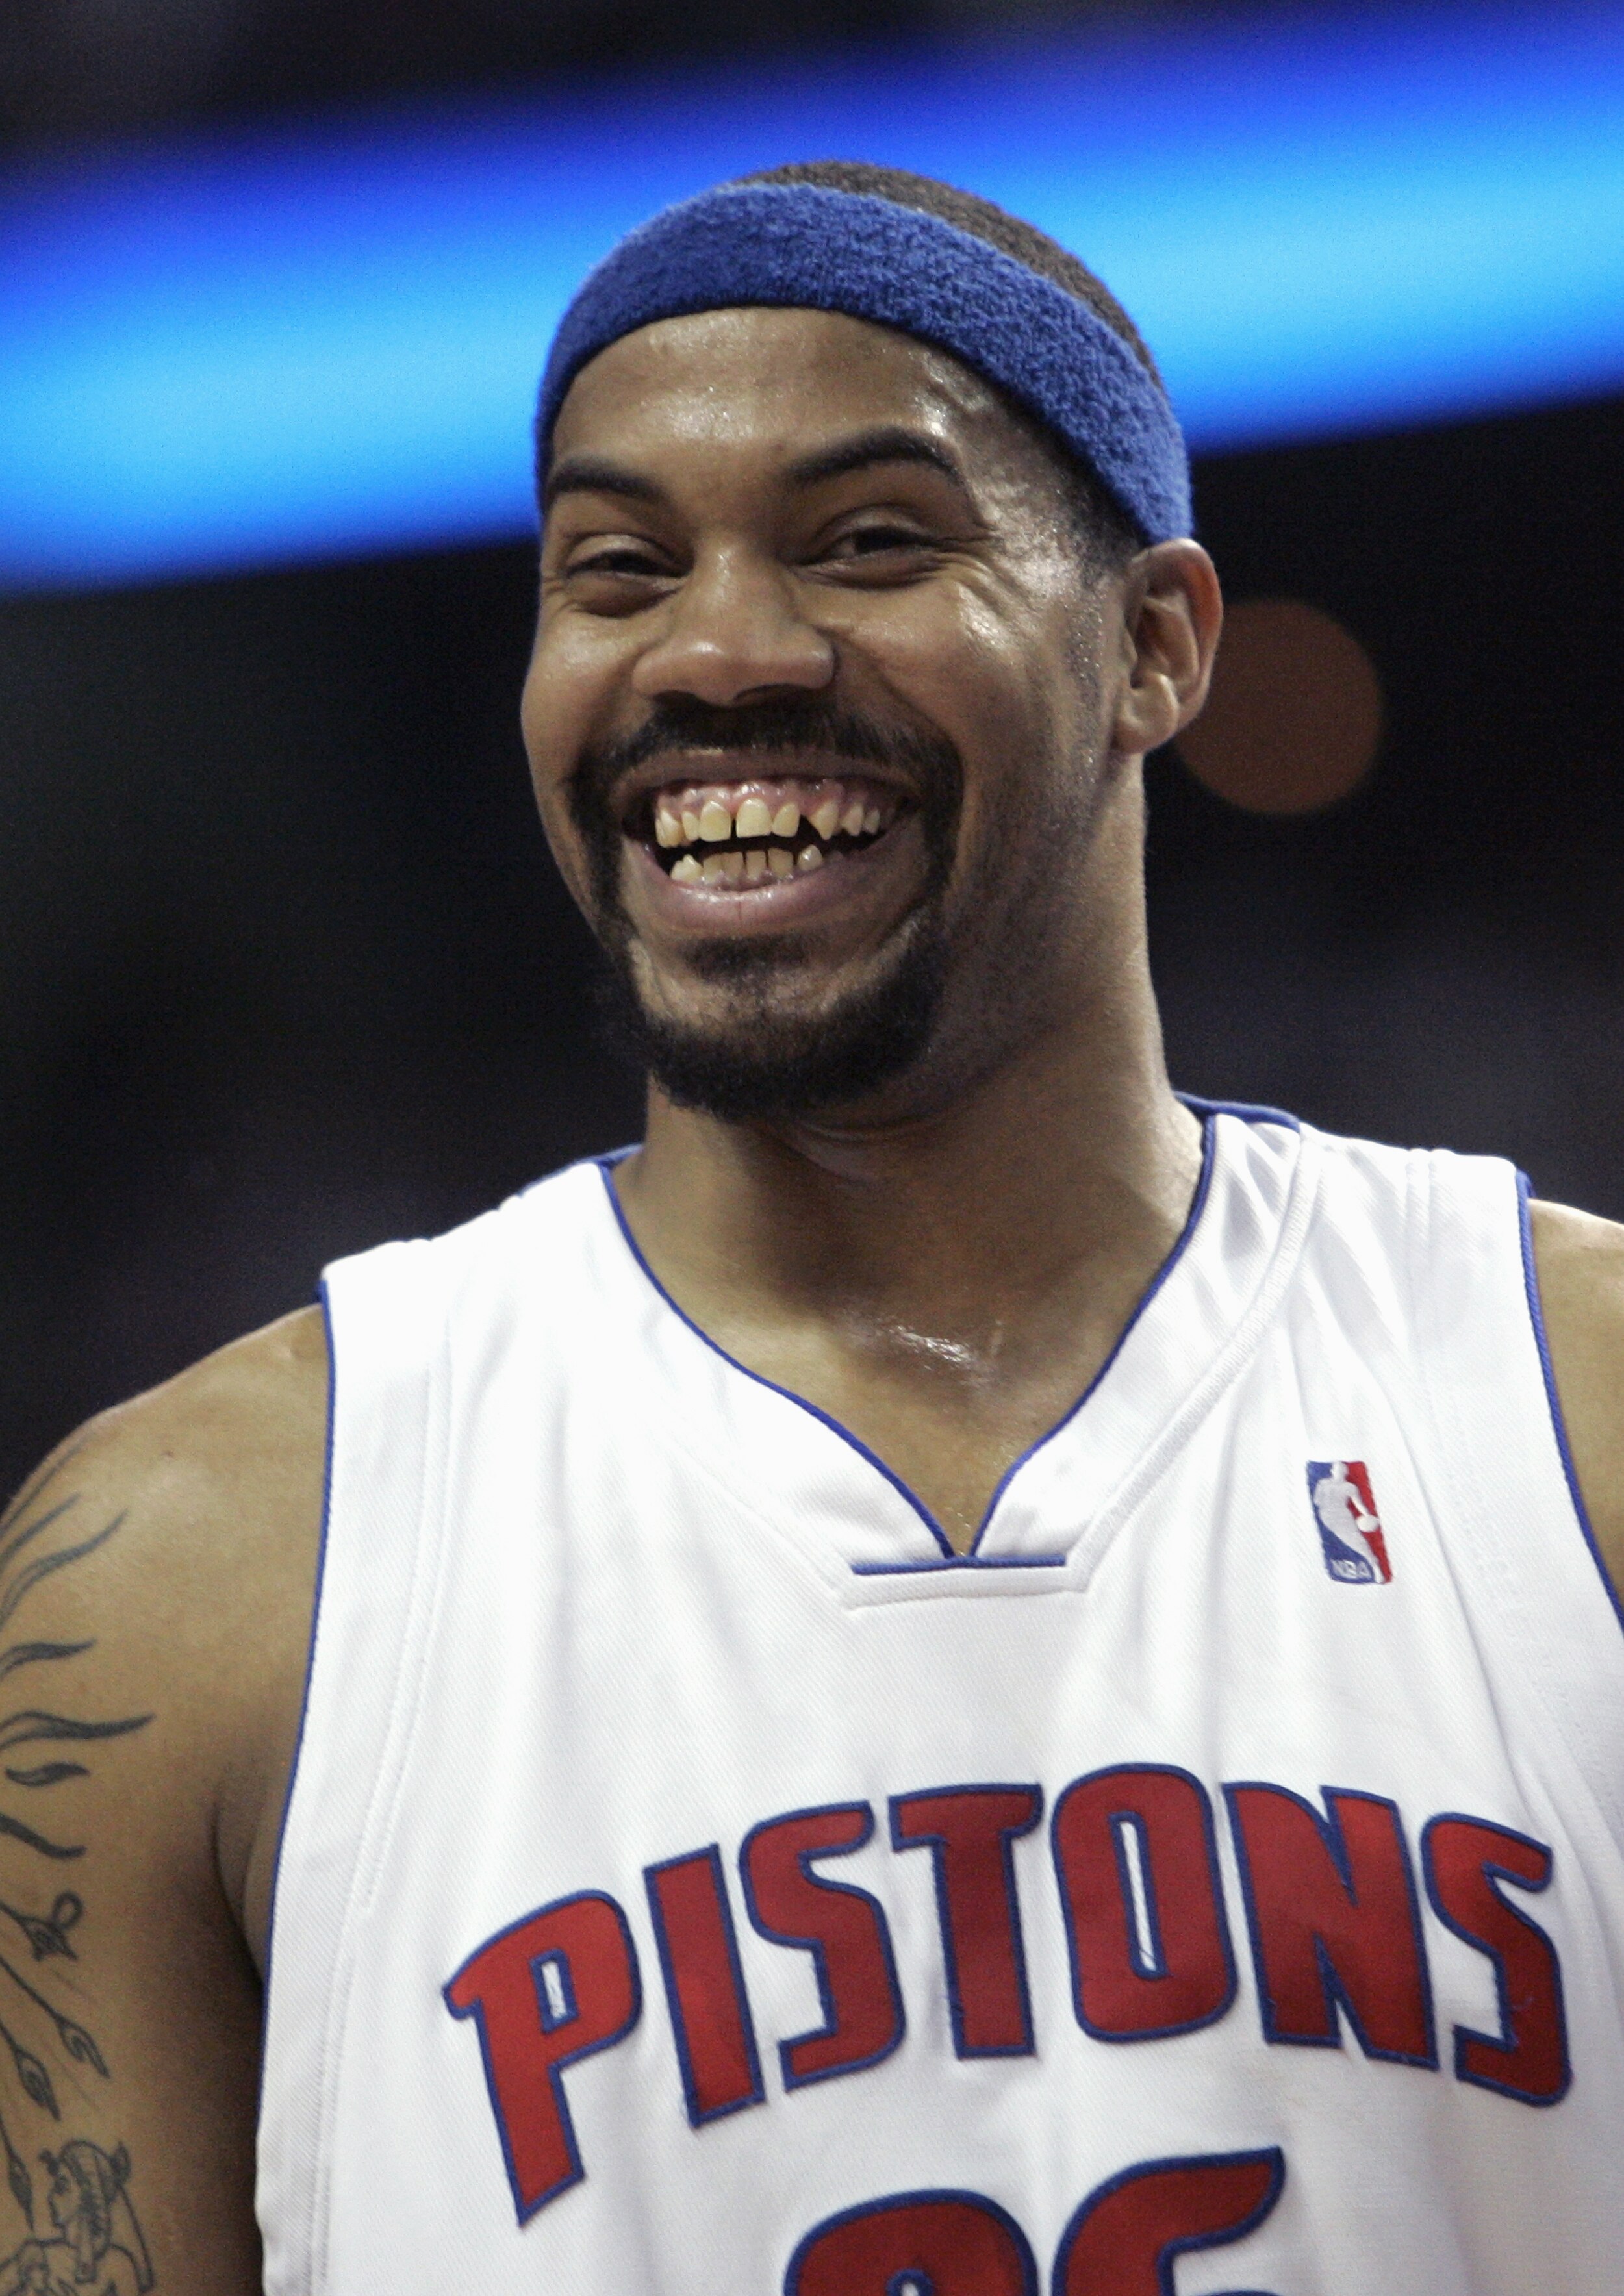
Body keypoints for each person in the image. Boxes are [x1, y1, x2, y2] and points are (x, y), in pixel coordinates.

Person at [8, 158, 1624, 2293]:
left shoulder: (1572, 1415)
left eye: (869, 541)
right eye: (615, 569)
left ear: (1153, 646)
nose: (719, 653)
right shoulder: (190, 1580)